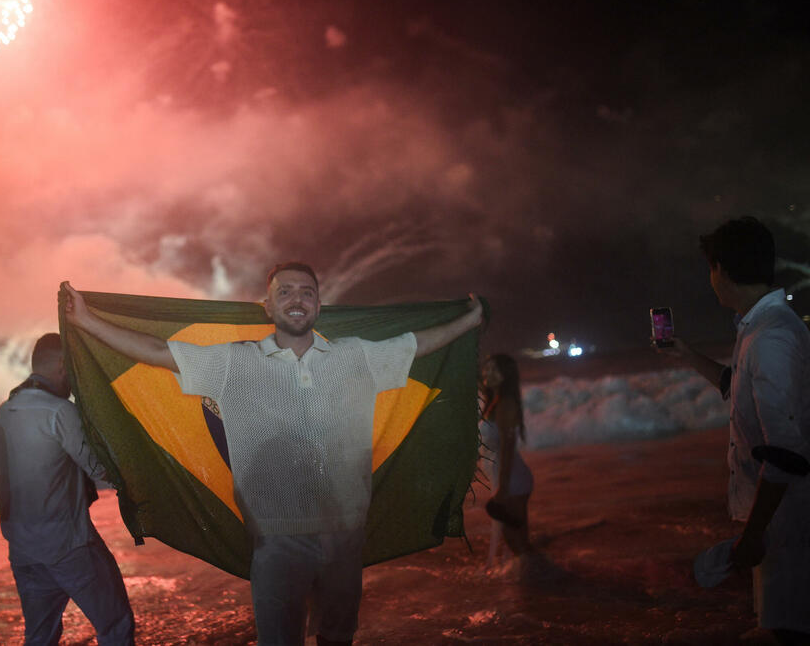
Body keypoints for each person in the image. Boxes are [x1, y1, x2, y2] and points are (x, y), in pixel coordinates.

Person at [62, 262, 483, 646]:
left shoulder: (357, 356)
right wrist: (86, 320)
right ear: (267, 306)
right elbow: (156, 352)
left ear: (319, 305)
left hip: (346, 535)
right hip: (277, 541)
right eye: (285, 292)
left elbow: (417, 345)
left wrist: (470, 319)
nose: (296, 299)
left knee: (338, 638)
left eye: (306, 292)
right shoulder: (234, 363)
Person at [664, 217, 810, 645]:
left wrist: (754, 534)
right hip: (782, 517)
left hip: (789, 519)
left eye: (711, 268)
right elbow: (742, 389)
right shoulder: (762, 328)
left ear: (723, 270)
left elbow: (785, 452)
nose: (710, 279)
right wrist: (688, 356)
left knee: (791, 628)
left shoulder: (770, 337)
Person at [0, 333, 134, 646]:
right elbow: (98, 468)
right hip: (69, 545)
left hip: (22, 549)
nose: (74, 378)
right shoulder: (59, 412)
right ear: (60, 364)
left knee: (40, 637)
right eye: (72, 367)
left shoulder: (4, 411)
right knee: (115, 625)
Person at [479, 353, 534, 565]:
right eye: (487, 368)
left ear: (505, 376)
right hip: (505, 480)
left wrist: (502, 489)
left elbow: (508, 450)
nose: (487, 373)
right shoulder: (494, 401)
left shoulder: (505, 404)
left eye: (494, 370)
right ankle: (539, 579)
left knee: (517, 544)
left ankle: (542, 584)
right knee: (517, 543)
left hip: (512, 482)